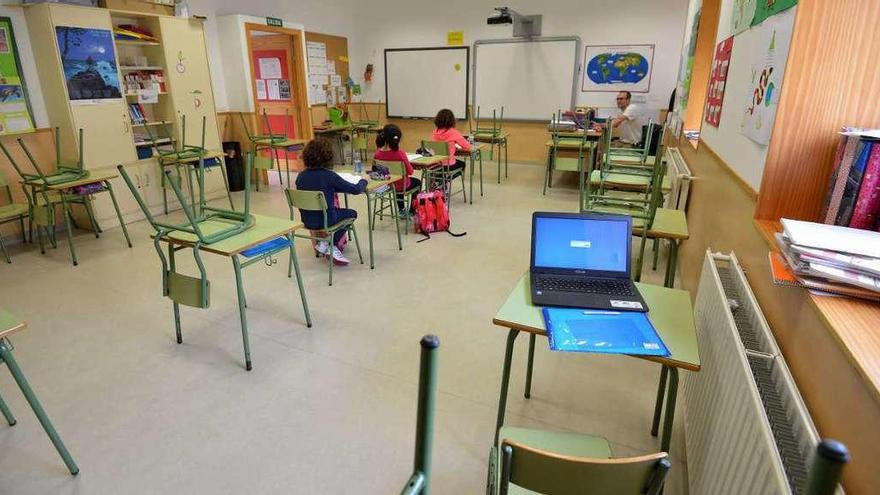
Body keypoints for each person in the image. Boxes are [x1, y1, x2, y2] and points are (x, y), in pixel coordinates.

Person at [294, 139, 367, 266]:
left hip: (307, 220)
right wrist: (363, 181)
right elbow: (355, 190)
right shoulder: (329, 176)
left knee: (327, 213)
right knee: (352, 213)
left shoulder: (300, 177)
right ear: (328, 157)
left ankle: (324, 244)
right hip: (327, 221)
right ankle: (329, 243)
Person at [373, 124, 420, 213]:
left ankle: (401, 209)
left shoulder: (377, 154)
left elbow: (376, 172)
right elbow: (410, 172)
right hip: (402, 185)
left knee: (397, 182)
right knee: (417, 182)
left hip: (387, 185)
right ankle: (412, 211)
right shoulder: (400, 154)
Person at [431, 108, 470, 175]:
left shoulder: (435, 132)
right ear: (452, 120)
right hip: (448, 165)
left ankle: (442, 182)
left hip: (436, 164)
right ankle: (447, 180)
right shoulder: (453, 132)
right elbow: (467, 146)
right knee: (462, 164)